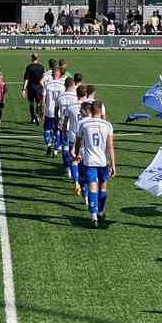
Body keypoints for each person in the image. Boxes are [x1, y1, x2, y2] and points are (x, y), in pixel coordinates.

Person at [74, 101, 115, 229]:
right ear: (101, 111)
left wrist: (76, 154)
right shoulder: (107, 125)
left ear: (91, 111)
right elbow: (110, 146)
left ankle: (94, 217)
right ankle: (101, 211)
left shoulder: (83, 124)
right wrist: (113, 165)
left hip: (89, 161)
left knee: (92, 188)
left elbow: (78, 142)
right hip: (103, 162)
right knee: (102, 188)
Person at [63, 85, 89, 196]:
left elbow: (65, 122)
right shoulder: (89, 107)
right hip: (85, 137)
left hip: (73, 136)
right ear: (86, 94)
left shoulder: (71, 106)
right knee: (84, 161)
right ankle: (84, 185)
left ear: (76, 94)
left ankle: (77, 182)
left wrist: (64, 133)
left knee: (74, 159)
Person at [42, 64, 66, 156]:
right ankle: (56, 149)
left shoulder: (47, 85)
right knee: (58, 130)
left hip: (48, 111)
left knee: (47, 129)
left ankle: (48, 145)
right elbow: (62, 101)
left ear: (52, 75)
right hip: (58, 112)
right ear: (59, 75)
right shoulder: (62, 86)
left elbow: (43, 100)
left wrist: (41, 110)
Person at [56, 77, 78, 178]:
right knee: (74, 149)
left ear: (65, 85)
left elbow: (56, 111)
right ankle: (75, 167)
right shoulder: (75, 97)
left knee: (65, 147)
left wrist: (57, 121)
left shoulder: (60, 97)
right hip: (73, 126)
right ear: (72, 85)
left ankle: (67, 168)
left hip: (62, 125)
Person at [22, 53, 45, 125]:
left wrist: (24, 89)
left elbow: (26, 78)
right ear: (38, 58)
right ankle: (37, 116)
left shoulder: (29, 67)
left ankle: (32, 118)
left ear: (32, 58)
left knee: (31, 103)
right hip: (39, 88)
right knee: (38, 103)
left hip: (31, 87)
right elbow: (44, 78)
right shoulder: (42, 67)